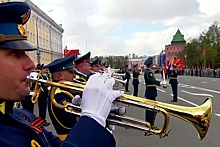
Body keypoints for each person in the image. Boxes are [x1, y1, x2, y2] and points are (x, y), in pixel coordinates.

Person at [0, 2, 123, 146]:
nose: (31, 64)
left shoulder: (22, 116)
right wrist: (92, 121)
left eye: (25, 53)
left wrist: (90, 126)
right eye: (15, 53)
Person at [45, 54, 78, 140]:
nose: (74, 76)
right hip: (70, 139)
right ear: (60, 76)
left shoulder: (64, 92)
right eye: (71, 72)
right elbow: (71, 120)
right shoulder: (58, 96)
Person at [144, 57, 166, 127]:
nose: (153, 64)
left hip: (150, 91)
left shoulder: (148, 71)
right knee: (151, 109)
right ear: (150, 64)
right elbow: (151, 80)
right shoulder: (149, 72)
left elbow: (153, 76)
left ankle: (150, 123)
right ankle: (150, 124)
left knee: (151, 109)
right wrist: (159, 83)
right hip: (151, 92)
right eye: (152, 63)